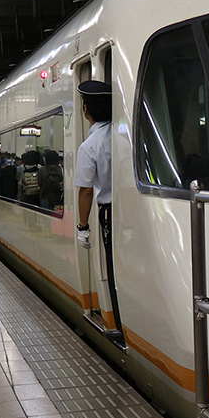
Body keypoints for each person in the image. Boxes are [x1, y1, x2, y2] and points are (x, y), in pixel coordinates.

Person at [74, 79, 122, 341]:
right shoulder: (124, 135)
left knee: (112, 266)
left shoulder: (89, 147)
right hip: (131, 208)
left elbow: (85, 190)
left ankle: (117, 324)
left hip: (109, 214)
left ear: (86, 111)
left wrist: (83, 227)